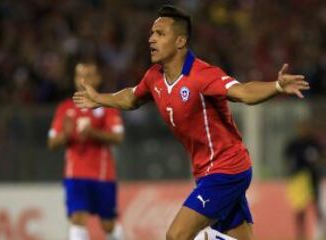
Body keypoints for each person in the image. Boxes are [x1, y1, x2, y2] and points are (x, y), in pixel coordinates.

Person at [73, 5, 309, 240]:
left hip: (226, 168)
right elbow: (131, 98)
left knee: (177, 236)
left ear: (180, 41)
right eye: (152, 34)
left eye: (160, 34)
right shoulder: (154, 76)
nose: (151, 39)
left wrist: (277, 86)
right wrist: (99, 99)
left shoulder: (202, 75)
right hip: (206, 172)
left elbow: (243, 92)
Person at [48, 62, 125, 240]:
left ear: (98, 79)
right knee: (77, 218)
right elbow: (52, 143)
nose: (83, 80)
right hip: (75, 175)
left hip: (103, 175)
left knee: (108, 225)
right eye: (79, 75)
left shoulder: (106, 105)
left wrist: (92, 133)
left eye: (89, 75)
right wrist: (66, 135)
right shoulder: (65, 108)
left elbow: (118, 137)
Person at [285, 121, 324, 240]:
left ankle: (320, 232)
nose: (303, 130)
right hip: (299, 179)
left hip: (312, 177)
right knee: (299, 208)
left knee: (317, 206)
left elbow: (321, 157)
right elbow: (286, 156)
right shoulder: (294, 144)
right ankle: (300, 234)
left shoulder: (314, 143)